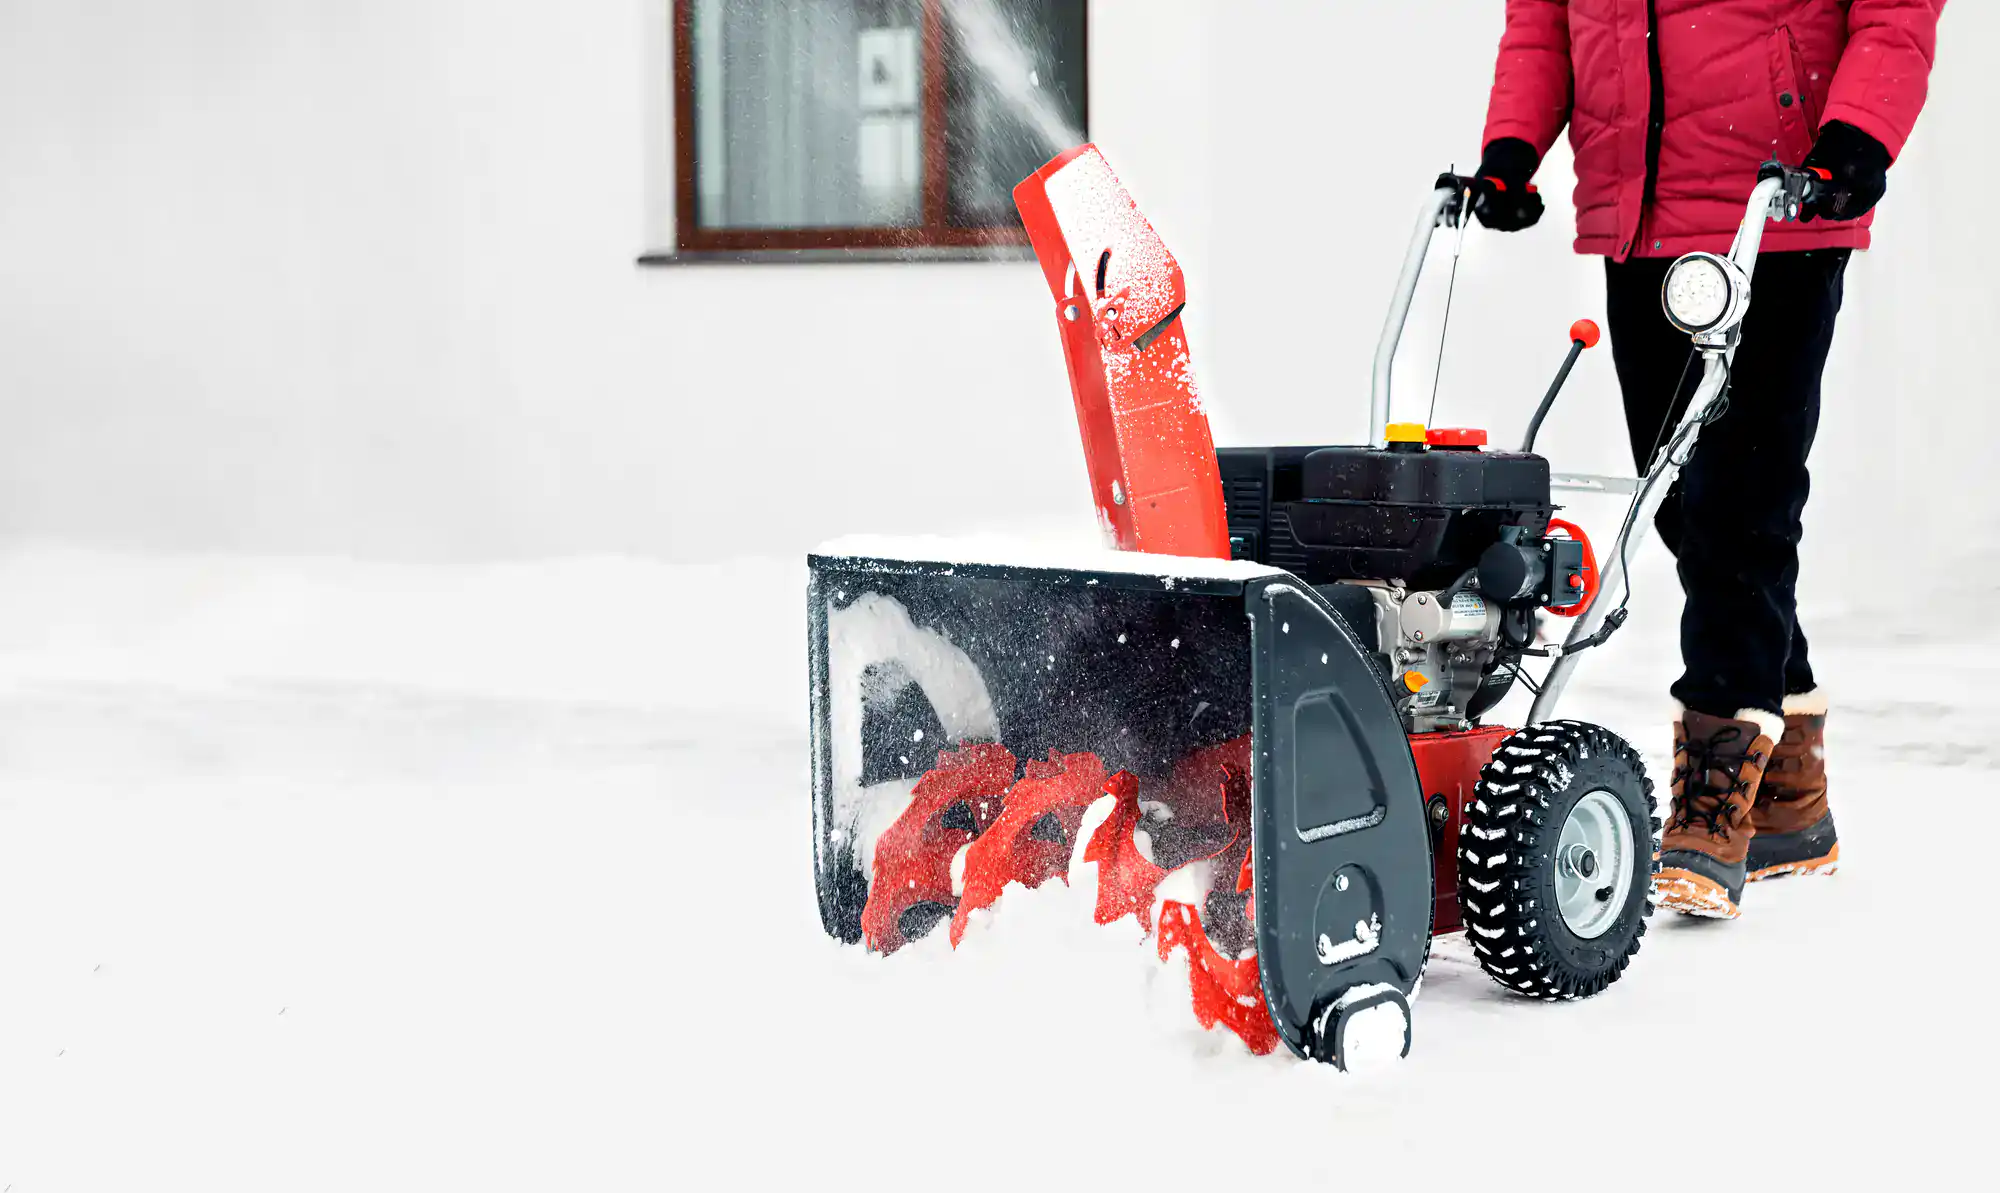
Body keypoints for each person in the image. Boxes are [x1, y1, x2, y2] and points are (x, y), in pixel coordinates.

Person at [1473, 1, 1945, 918]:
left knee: (1742, 504)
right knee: (1685, 503)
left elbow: (1894, 14)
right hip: (1634, 214)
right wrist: (1514, 147)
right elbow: (1542, 24)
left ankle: (1713, 794)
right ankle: (1792, 798)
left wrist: (1856, 138)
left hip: (1779, 207)